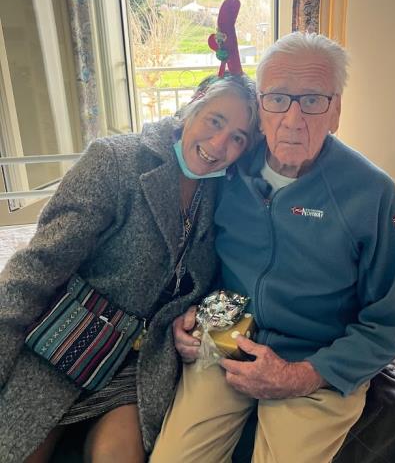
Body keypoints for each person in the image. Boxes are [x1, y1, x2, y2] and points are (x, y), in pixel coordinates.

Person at [151, 32, 395, 463]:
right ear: (260, 108)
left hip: (317, 357)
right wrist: (195, 311)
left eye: (312, 100)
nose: (293, 119)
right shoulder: (228, 163)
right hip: (227, 338)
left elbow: (390, 323)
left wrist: (303, 375)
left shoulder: (373, 195)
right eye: (277, 99)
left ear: (336, 111)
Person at [0, 73, 258, 463]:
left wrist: (194, 314)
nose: (219, 144)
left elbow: (214, 278)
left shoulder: (226, 194)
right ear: (195, 104)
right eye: (215, 120)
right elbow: (37, 266)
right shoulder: (115, 161)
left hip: (138, 365)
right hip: (63, 344)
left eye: (238, 138)